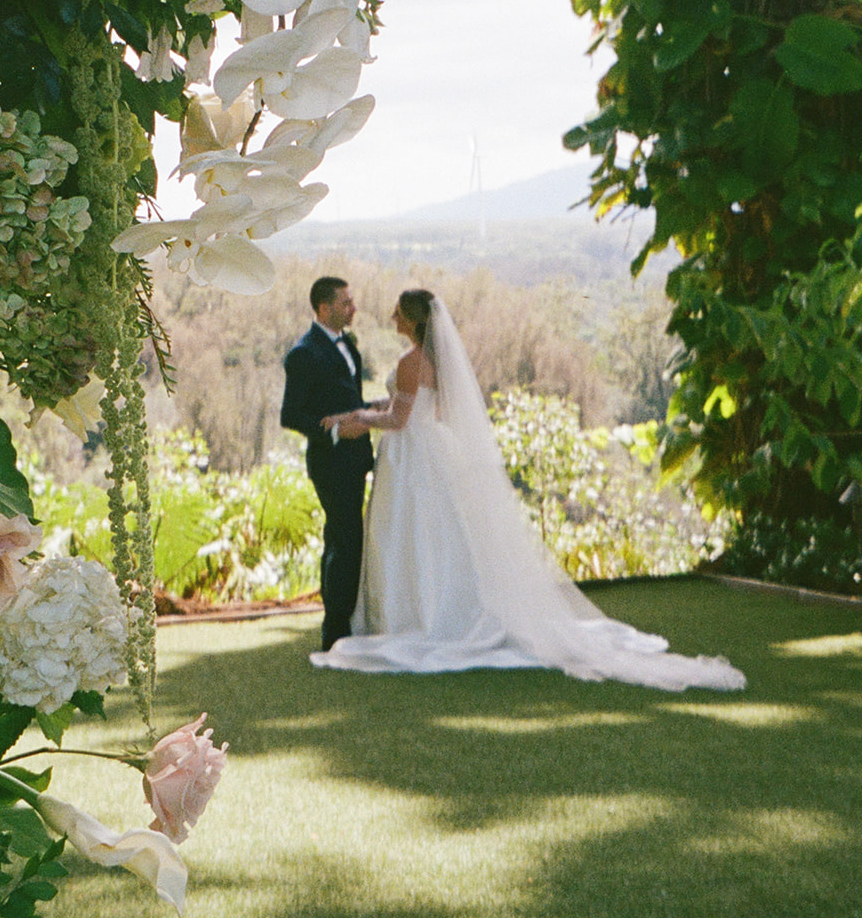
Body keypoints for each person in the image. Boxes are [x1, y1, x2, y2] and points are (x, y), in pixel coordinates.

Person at [311, 289, 746, 692]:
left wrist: (359, 422)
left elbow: (399, 420)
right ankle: (435, 610)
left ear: (411, 319)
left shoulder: (410, 361)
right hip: (430, 452)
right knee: (438, 537)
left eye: (398, 312)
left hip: (412, 456)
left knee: (409, 535)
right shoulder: (436, 360)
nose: (392, 316)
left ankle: (418, 618)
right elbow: (409, 407)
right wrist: (358, 410)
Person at [281, 276, 373, 652]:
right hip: (331, 462)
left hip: (357, 459)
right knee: (344, 540)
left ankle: (343, 622)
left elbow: (350, 398)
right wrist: (334, 434)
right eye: (346, 302)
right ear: (324, 308)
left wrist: (369, 413)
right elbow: (291, 414)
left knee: (346, 538)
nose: (353, 308)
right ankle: (335, 630)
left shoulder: (348, 343)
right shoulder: (304, 353)